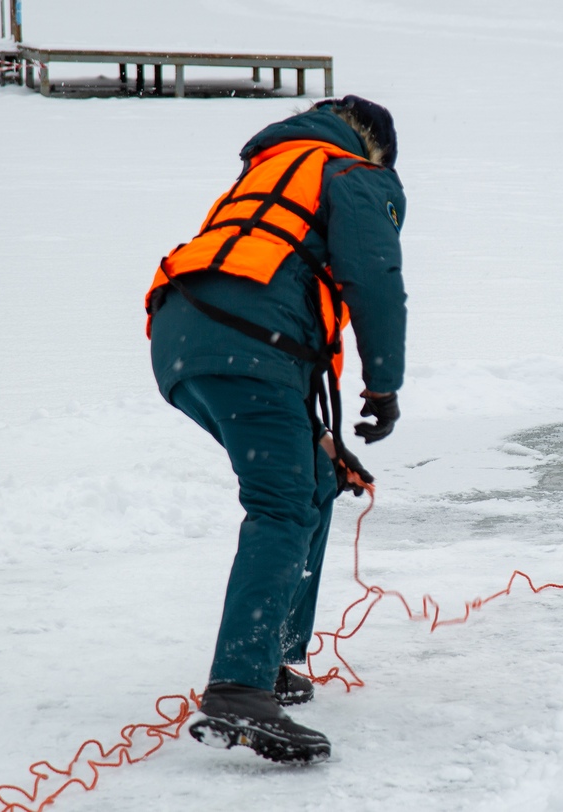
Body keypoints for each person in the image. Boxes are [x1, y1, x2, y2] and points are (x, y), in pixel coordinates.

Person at [144, 96, 408, 764]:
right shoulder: (351, 173)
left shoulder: (266, 169)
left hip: (183, 336)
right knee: (282, 503)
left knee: (313, 478)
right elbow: (373, 278)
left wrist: (324, 432)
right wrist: (384, 385)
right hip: (245, 343)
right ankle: (240, 688)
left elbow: (278, 285)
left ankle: (274, 662)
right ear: (373, 144)